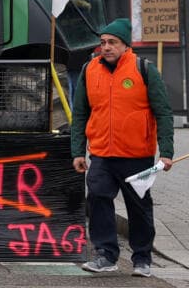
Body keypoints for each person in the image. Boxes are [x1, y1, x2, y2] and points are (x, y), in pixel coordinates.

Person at [71, 18, 173, 278]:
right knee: (98, 199)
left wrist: (167, 151)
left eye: (112, 43)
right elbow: (80, 113)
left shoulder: (144, 69)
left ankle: (142, 258)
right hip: (102, 154)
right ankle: (105, 255)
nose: (106, 47)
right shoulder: (89, 70)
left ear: (125, 46)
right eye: (103, 42)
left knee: (139, 208)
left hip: (136, 155)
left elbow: (163, 112)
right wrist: (77, 151)